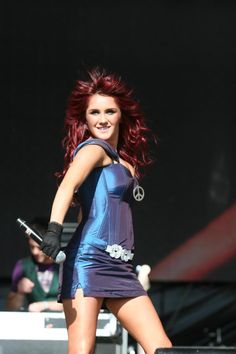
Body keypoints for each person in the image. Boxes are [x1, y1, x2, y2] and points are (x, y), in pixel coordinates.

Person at [40, 68, 172, 354]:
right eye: (94, 112)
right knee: (82, 350)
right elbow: (67, 186)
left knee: (162, 348)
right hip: (87, 263)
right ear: (85, 119)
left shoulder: (124, 164)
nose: (102, 119)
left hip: (120, 267)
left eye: (109, 111)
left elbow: (88, 209)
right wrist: (54, 230)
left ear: (121, 115)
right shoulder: (92, 149)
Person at [6, 217, 63, 312]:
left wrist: (44, 305)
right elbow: (10, 308)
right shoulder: (22, 266)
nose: (34, 252)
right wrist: (20, 292)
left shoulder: (65, 265)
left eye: (39, 248)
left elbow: (76, 304)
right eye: (31, 247)